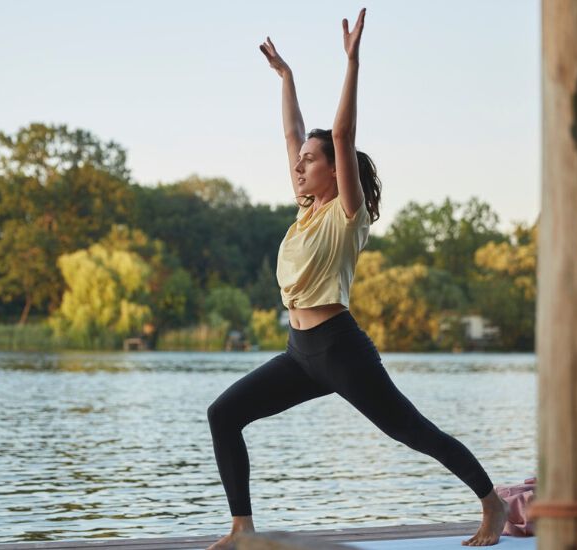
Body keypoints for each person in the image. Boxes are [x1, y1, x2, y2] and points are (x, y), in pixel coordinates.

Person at [204, 9, 508, 549]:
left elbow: (340, 133)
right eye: (299, 161)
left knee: (411, 431)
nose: (299, 166)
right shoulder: (305, 209)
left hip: (341, 350)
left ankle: (491, 503)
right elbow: (294, 131)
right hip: (300, 351)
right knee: (224, 413)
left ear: (334, 168)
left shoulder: (349, 214)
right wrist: (287, 77)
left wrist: (352, 61)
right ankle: (242, 531)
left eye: (309, 161)